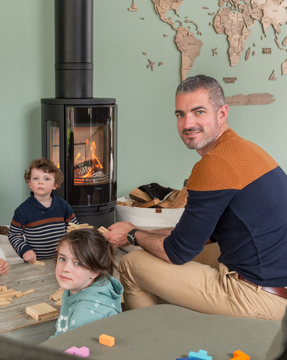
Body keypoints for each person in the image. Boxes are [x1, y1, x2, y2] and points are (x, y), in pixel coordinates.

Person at [105, 75, 287, 321]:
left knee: (131, 264)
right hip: (274, 279)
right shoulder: (245, 150)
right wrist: (140, 231)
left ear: (222, 114)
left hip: (261, 298)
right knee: (160, 253)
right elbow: (195, 235)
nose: (187, 123)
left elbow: (177, 252)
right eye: (180, 114)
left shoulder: (214, 165)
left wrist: (131, 234)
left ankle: (155, 345)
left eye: (198, 112)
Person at [50, 228, 123, 338]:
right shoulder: (85, 284)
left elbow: (70, 347)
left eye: (77, 263)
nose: (65, 268)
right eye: (62, 258)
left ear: (94, 272)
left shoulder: (86, 312)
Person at [8, 159, 78, 263]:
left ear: (55, 185)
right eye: (36, 178)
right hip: (36, 262)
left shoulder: (63, 206)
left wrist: (67, 243)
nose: (40, 182)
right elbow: (14, 235)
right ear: (30, 184)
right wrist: (25, 250)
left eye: (46, 178)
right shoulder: (22, 210)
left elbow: (75, 229)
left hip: (63, 259)